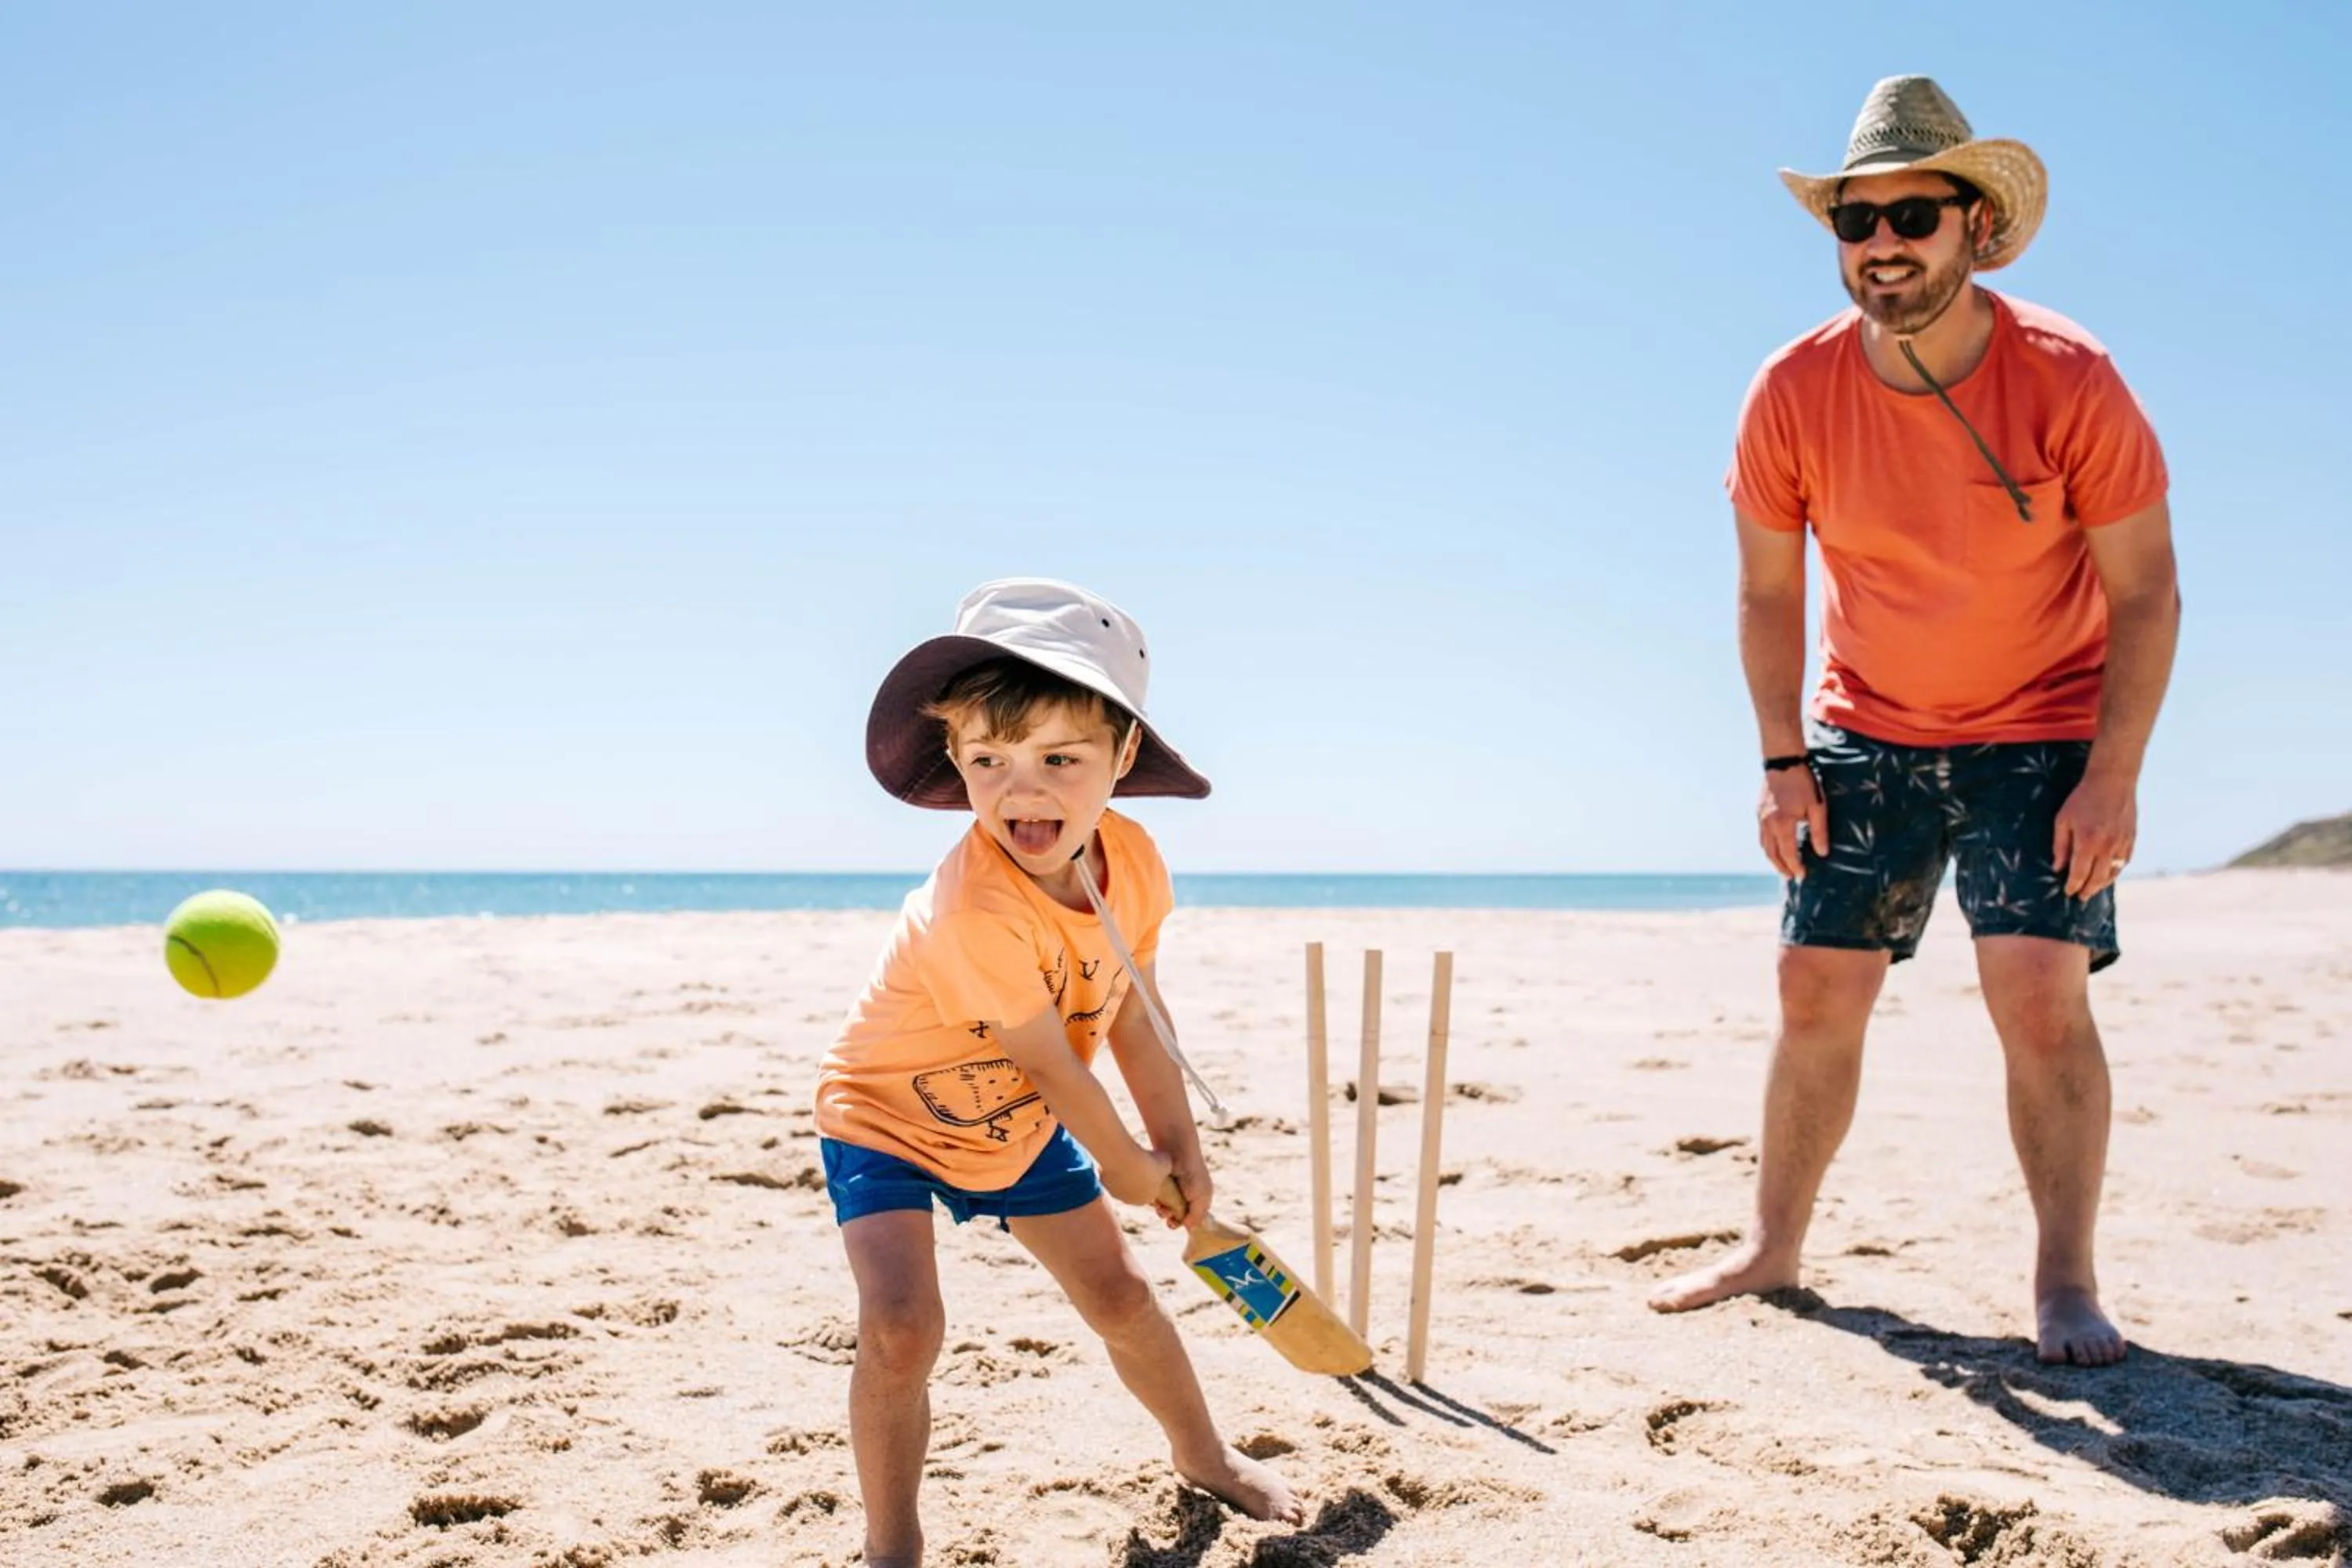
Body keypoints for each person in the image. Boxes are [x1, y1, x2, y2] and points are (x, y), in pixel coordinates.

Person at [1650, 77, 2180, 1367]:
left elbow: (2147, 591)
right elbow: (1770, 591)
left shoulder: (2071, 378)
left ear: (1976, 225)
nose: (1881, 243)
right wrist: (1783, 762)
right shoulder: (1792, 391)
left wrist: (2112, 778)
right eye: (1857, 220)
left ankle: (2065, 1283)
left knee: (2038, 993)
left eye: (1912, 215)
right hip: (1865, 727)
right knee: (1812, 988)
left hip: (2044, 726)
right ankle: (1774, 1247)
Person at [813, 578, 1303, 1566]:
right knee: (905, 1325)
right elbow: (1048, 1060)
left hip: (1021, 1124)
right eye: (988, 759)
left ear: (1123, 755)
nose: (1020, 788)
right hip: (886, 1116)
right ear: (954, 759)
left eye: (1059, 758)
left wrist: (1179, 1146)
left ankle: (1203, 1451)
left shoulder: (1136, 860)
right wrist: (1124, 1160)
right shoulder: (973, 910)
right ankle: (892, 1539)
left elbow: (1136, 1011)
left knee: (1121, 1296)